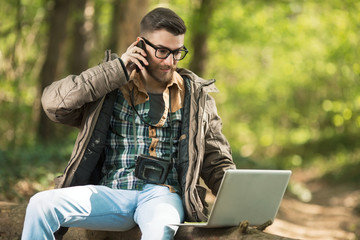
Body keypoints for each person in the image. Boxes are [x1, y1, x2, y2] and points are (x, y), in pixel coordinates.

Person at [22, 7, 235, 240]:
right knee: (41, 205)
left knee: (160, 230)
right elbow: (53, 103)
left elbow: (216, 161)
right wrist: (117, 69)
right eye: (162, 51)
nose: (170, 61)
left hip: (163, 196)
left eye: (177, 52)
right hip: (112, 193)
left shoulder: (197, 97)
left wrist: (240, 201)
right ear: (140, 45)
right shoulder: (110, 86)